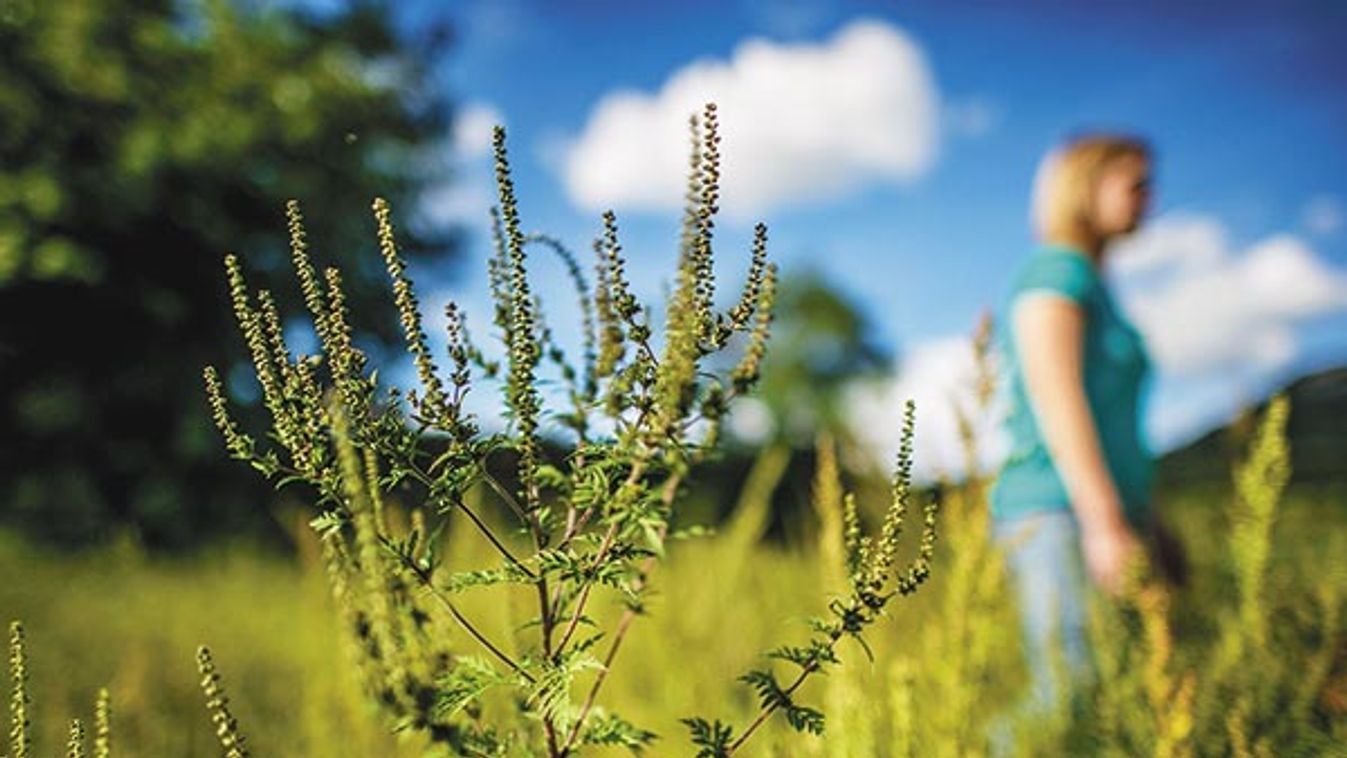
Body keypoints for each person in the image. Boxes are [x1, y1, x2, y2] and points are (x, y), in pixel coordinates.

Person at [989, 133, 1182, 714]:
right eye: (1135, 183)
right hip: (1056, 510)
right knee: (1066, 695)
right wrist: (1105, 524)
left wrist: (1147, 516)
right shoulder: (1056, 270)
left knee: (1117, 695)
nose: (1149, 196)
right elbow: (1058, 396)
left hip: (1100, 510)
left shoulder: (1094, 284)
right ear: (1085, 186)